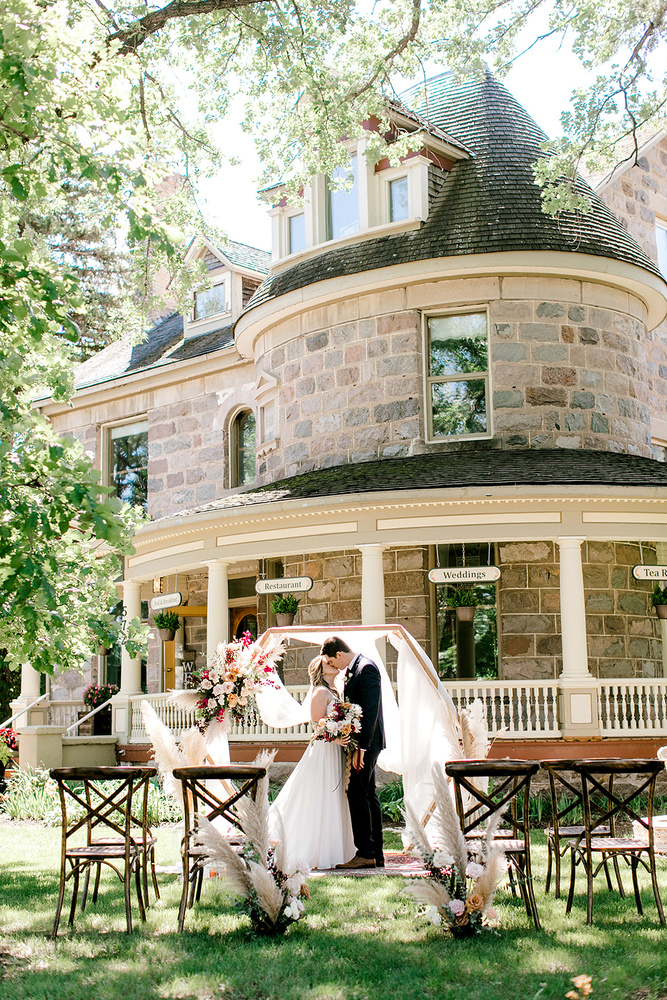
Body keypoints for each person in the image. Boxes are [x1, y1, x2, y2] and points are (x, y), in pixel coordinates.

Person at [269, 655, 356, 871]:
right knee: (321, 796)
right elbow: (317, 727)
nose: (334, 665)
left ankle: (338, 849)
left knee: (335, 797)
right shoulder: (319, 692)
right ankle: (315, 848)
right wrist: (335, 738)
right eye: (329, 663)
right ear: (321, 669)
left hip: (336, 752)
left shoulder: (334, 692)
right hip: (324, 751)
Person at [321, 635, 385, 869]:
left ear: (338, 654)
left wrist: (362, 748)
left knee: (357, 792)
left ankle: (366, 852)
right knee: (368, 793)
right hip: (362, 743)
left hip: (367, 743)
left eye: (331, 661)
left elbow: (370, 710)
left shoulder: (366, 669)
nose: (333, 666)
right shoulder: (355, 669)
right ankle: (376, 852)